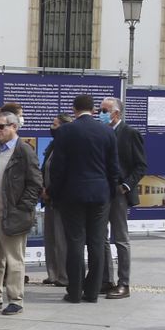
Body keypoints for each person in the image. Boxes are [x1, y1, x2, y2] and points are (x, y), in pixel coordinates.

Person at [48, 94, 122, 303]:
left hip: (72, 194)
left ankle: (74, 291)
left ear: (74, 109)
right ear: (94, 110)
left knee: (75, 242)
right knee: (97, 242)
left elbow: (58, 167)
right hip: (100, 194)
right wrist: (109, 191)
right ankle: (92, 291)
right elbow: (113, 167)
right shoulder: (107, 132)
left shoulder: (65, 132)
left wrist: (55, 192)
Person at [0, 110, 42, 315]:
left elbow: (35, 183)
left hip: (13, 215)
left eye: (1, 126)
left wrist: (22, 208)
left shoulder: (24, 150)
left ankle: (16, 299)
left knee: (14, 258)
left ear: (14, 127)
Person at [99, 97, 146, 300]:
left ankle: (124, 282)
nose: (100, 113)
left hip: (119, 192)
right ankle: (106, 279)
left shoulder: (130, 133)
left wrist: (126, 186)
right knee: (101, 237)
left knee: (120, 238)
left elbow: (141, 165)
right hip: (101, 191)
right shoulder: (101, 132)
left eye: (104, 110)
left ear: (116, 113)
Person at [39, 114, 71, 285]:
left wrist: (50, 191)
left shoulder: (67, 146)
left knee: (61, 238)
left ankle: (64, 275)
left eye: (55, 124)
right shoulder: (53, 146)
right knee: (50, 238)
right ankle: (52, 273)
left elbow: (62, 174)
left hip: (60, 198)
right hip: (48, 198)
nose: (52, 127)